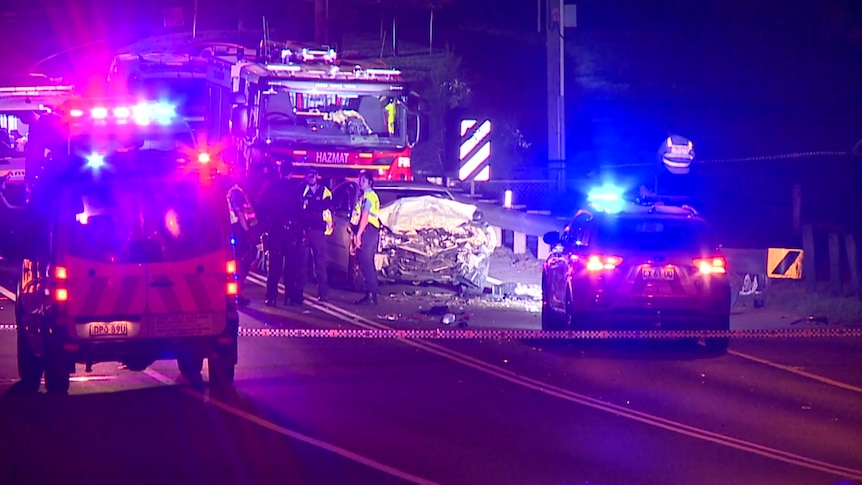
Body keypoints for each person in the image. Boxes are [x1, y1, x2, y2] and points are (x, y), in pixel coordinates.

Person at [257, 162, 304, 306]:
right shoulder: (295, 189)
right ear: (291, 173)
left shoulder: (271, 186)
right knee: (291, 265)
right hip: (290, 231)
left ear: (279, 170)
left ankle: (271, 297)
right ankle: (290, 296)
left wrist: (265, 225)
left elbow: (260, 205)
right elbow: (299, 211)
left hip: (275, 230)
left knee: (275, 265)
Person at [298, 169, 333, 302]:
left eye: (313, 176)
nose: (310, 178)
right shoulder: (302, 189)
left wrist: (310, 204)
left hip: (318, 231)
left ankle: (323, 293)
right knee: (302, 263)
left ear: (317, 177)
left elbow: (326, 205)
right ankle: (299, 292)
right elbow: (299, 207)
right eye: (308, 175)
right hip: (305, 231)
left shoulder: (325, 191)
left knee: (320, 263)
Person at [226, 170, 259, 307]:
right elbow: (240, 213)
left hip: (238, 231)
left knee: (240, 264)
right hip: (239, 232)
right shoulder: (236, 192)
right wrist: (247, 232)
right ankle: (237, 295)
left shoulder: (235, 191)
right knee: (240, 265)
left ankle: (237, 294)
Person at [349, 170, 381, 305]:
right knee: (365, 261)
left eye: (363, 180)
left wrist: (358, 236)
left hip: (368, 229)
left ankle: (372, 295)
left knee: (365, 261)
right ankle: (370, 294)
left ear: (370, 183)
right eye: (359, 180)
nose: (360, 182)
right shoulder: (363, 196)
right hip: (366, 230)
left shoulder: (369, 196)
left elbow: (365, 217)